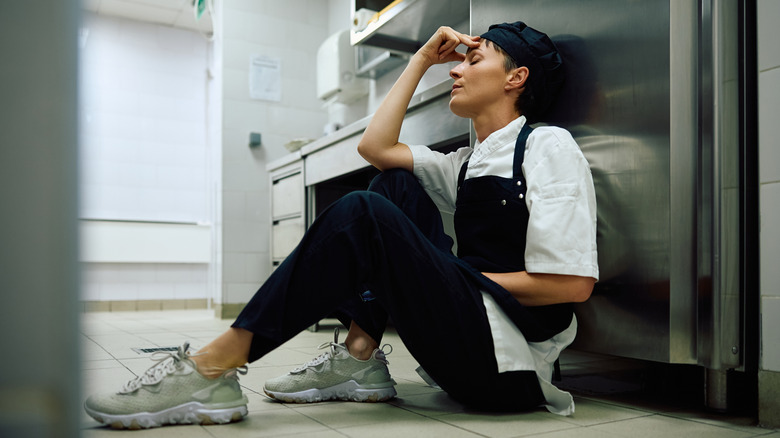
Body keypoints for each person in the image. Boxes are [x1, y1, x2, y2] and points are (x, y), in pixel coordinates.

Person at [84, 21, 599, 430]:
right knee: (391, 186)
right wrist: (419, 60)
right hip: (467, 343)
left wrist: (444, 275)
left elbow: (570, 285)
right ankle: (359, 357)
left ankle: (212, 368)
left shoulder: (547, 146)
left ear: (517, 77)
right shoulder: (466, 162)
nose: (456, 71)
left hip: (509, 371)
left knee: (364, 211)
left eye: (474, 58)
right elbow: (375, 149)